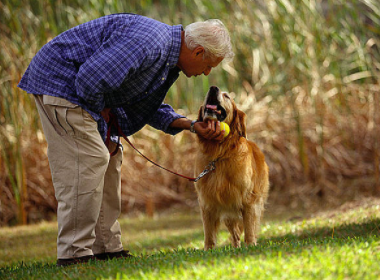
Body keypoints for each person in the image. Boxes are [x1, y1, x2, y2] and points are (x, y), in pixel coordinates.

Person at [18, 13, 234, 267]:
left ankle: (106, 246)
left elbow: (147, 106)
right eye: (209, 65)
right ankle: (74, 253)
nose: (207, 73)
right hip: (62, 85)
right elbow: (89, 80)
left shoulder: (167, 59)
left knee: (110, 158)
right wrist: (102, 112)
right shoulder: (150, 43)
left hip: (82, 91)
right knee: (90, 159)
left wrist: (190, 125)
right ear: (198, 52)